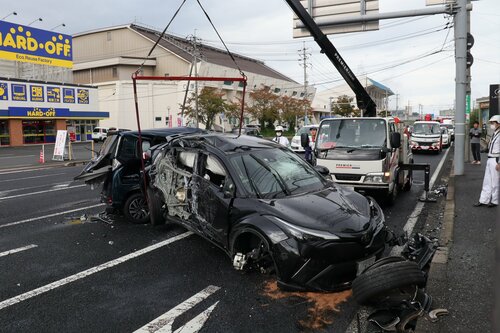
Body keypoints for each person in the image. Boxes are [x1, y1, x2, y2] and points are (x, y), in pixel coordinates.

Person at [473, 115, 500, 207]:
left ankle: (494, 201)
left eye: (493, 123)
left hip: (496, 160)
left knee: (495, 182)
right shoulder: (495, 133)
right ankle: (483, 200)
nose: (492, 125)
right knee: (487, 181)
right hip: (490, 159)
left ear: (498, 123)